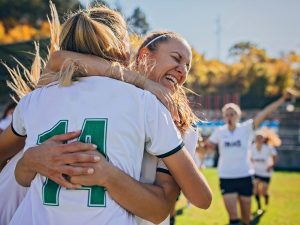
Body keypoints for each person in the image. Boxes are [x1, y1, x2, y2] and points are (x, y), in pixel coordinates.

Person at [0, 6, 211, 225]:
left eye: (188, 66)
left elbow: (172, 205)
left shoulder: (176, 121)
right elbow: (59, 59)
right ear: (137, 54)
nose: (183, 70)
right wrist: (28, 162)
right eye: (176, 58)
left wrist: (106, 175)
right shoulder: (140, 101)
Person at [204, 92, 292, 225]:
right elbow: (207, 147)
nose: (230, 116)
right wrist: (205, 146)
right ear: (223, 116)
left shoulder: (246, 128)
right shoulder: (219, 131)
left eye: (232, 113)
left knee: (246, 219)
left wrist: (282, 99)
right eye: (227, 114)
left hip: (244, 176)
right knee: (233, 219)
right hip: (226, 177)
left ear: (238, 115)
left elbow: (264, 113)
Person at [250, 129, 278, 214]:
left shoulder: (268, 147)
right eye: (257, 137)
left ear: (264, 139)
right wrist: (251, 163)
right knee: (255, 189)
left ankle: (266, 196)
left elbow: (275, 156)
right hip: (256, 172)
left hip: (266, 172)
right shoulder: (252, 147)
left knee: (263, 192)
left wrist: (271, 165)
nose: (258, 139)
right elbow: (249, 157)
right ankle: (259, 207)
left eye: (260, 137)